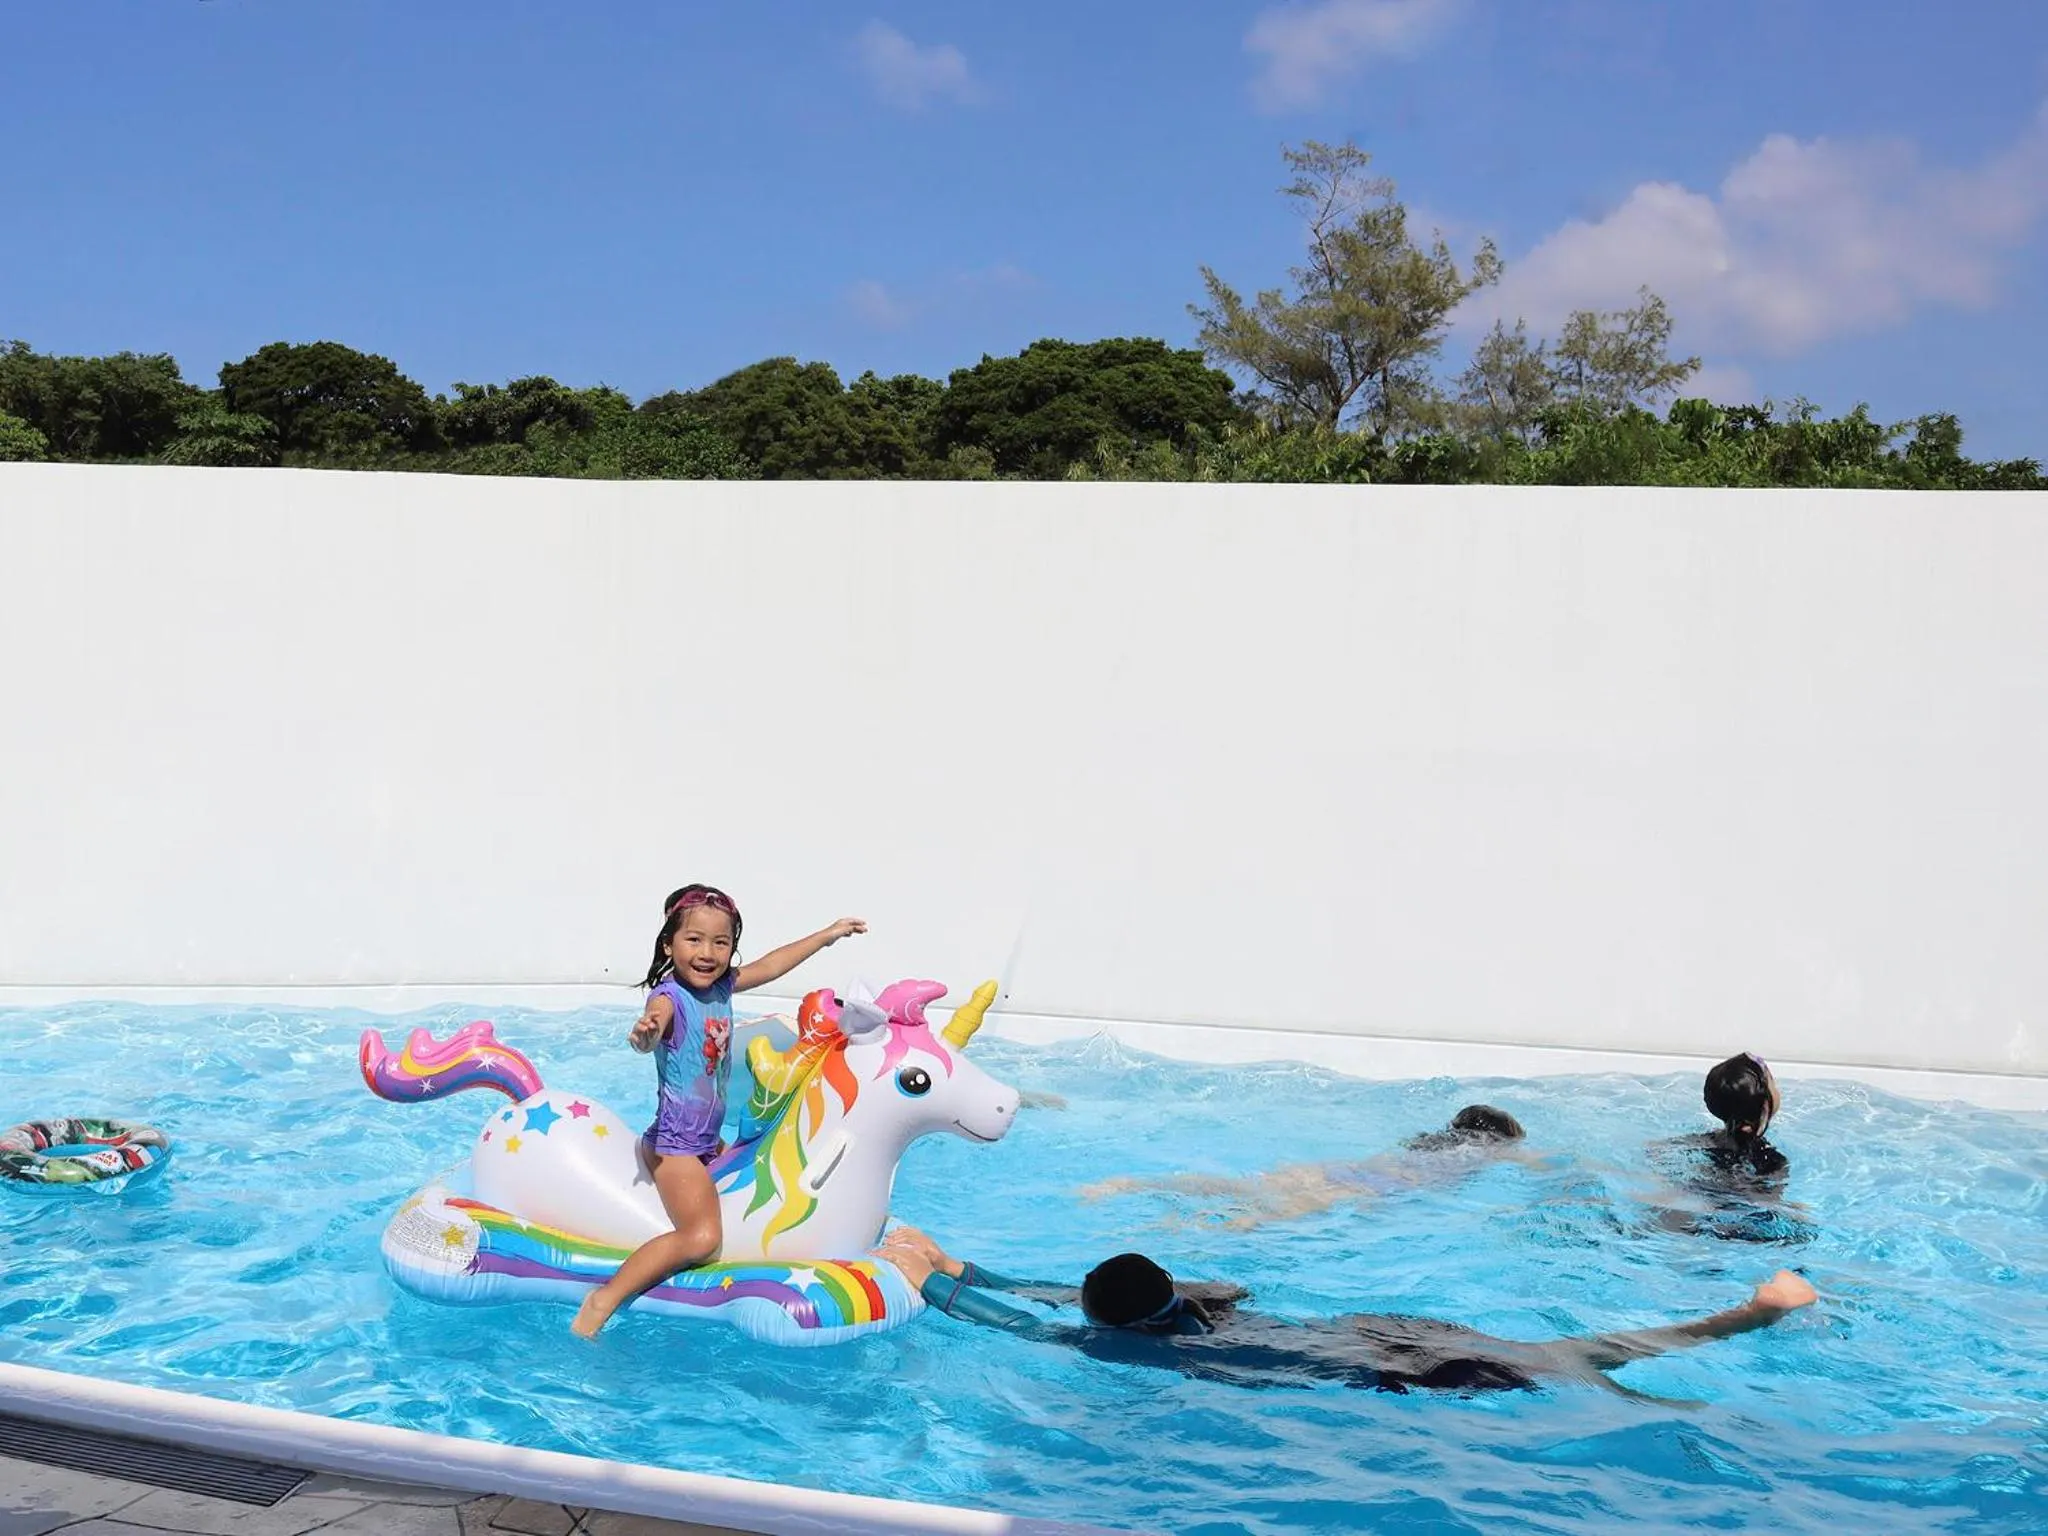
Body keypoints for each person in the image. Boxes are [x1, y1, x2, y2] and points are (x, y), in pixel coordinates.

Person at [875, 1226, 1817, 1400]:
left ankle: (1749, 1317)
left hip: (1381, 1370)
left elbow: (1036, 1325)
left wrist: (934, 1286)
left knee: (1566, 1365)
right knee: (1568, 1351)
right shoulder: (1197, 1301)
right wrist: (962, 1260)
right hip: (1380, 1334)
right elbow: (1059, 1297)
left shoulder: (1139, 1354)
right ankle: (1744, 1311)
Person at [571, 884, 866, 1339]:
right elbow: (655, 1022)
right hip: (676, 1150)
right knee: (703, 1239)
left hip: (709, 1142)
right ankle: (602, 1301)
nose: (707, 952)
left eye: (721, 942)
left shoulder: (723, 986)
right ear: (669, 944)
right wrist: (647, 1035)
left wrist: (826, 935)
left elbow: (772, 964)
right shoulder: (668, 998)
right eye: (693, 939)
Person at [1079, 1105, 1534, 1231]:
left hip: (1338, 1169)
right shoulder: (1479, 1151)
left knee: (1239, 1187)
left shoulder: (1424, 1140)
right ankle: (1178, 1229)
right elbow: (1537, 1164)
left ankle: (1129, 1185)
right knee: (1269, 1216)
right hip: (1376, 1186)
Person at [1644, 1053, 1807, 1243]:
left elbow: (1653, 1151)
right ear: (1765, 1105)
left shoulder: (1695, 1142)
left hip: (1684, 1215)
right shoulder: (1773, 1161)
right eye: (1774, 1083)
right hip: (1731, 1227)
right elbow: (1765, 1206)